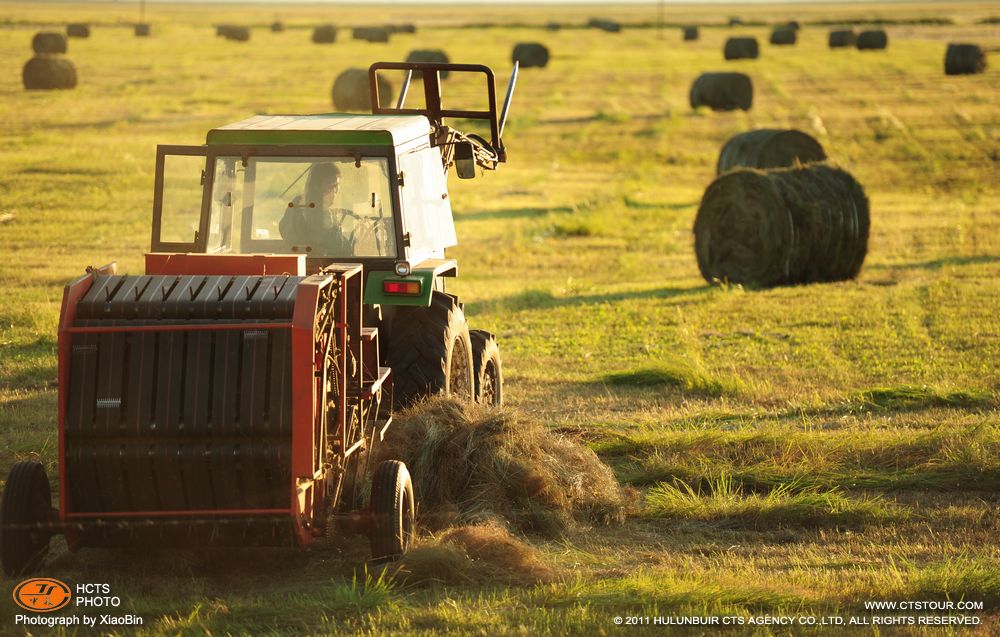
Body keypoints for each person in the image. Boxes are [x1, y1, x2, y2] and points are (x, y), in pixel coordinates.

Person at [279, 162, 354, 255]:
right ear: (319, 187)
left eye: (337, 186)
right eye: (332, 186)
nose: (336, 191)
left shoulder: (299, 204)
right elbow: (335, 247)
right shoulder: (301, 209)